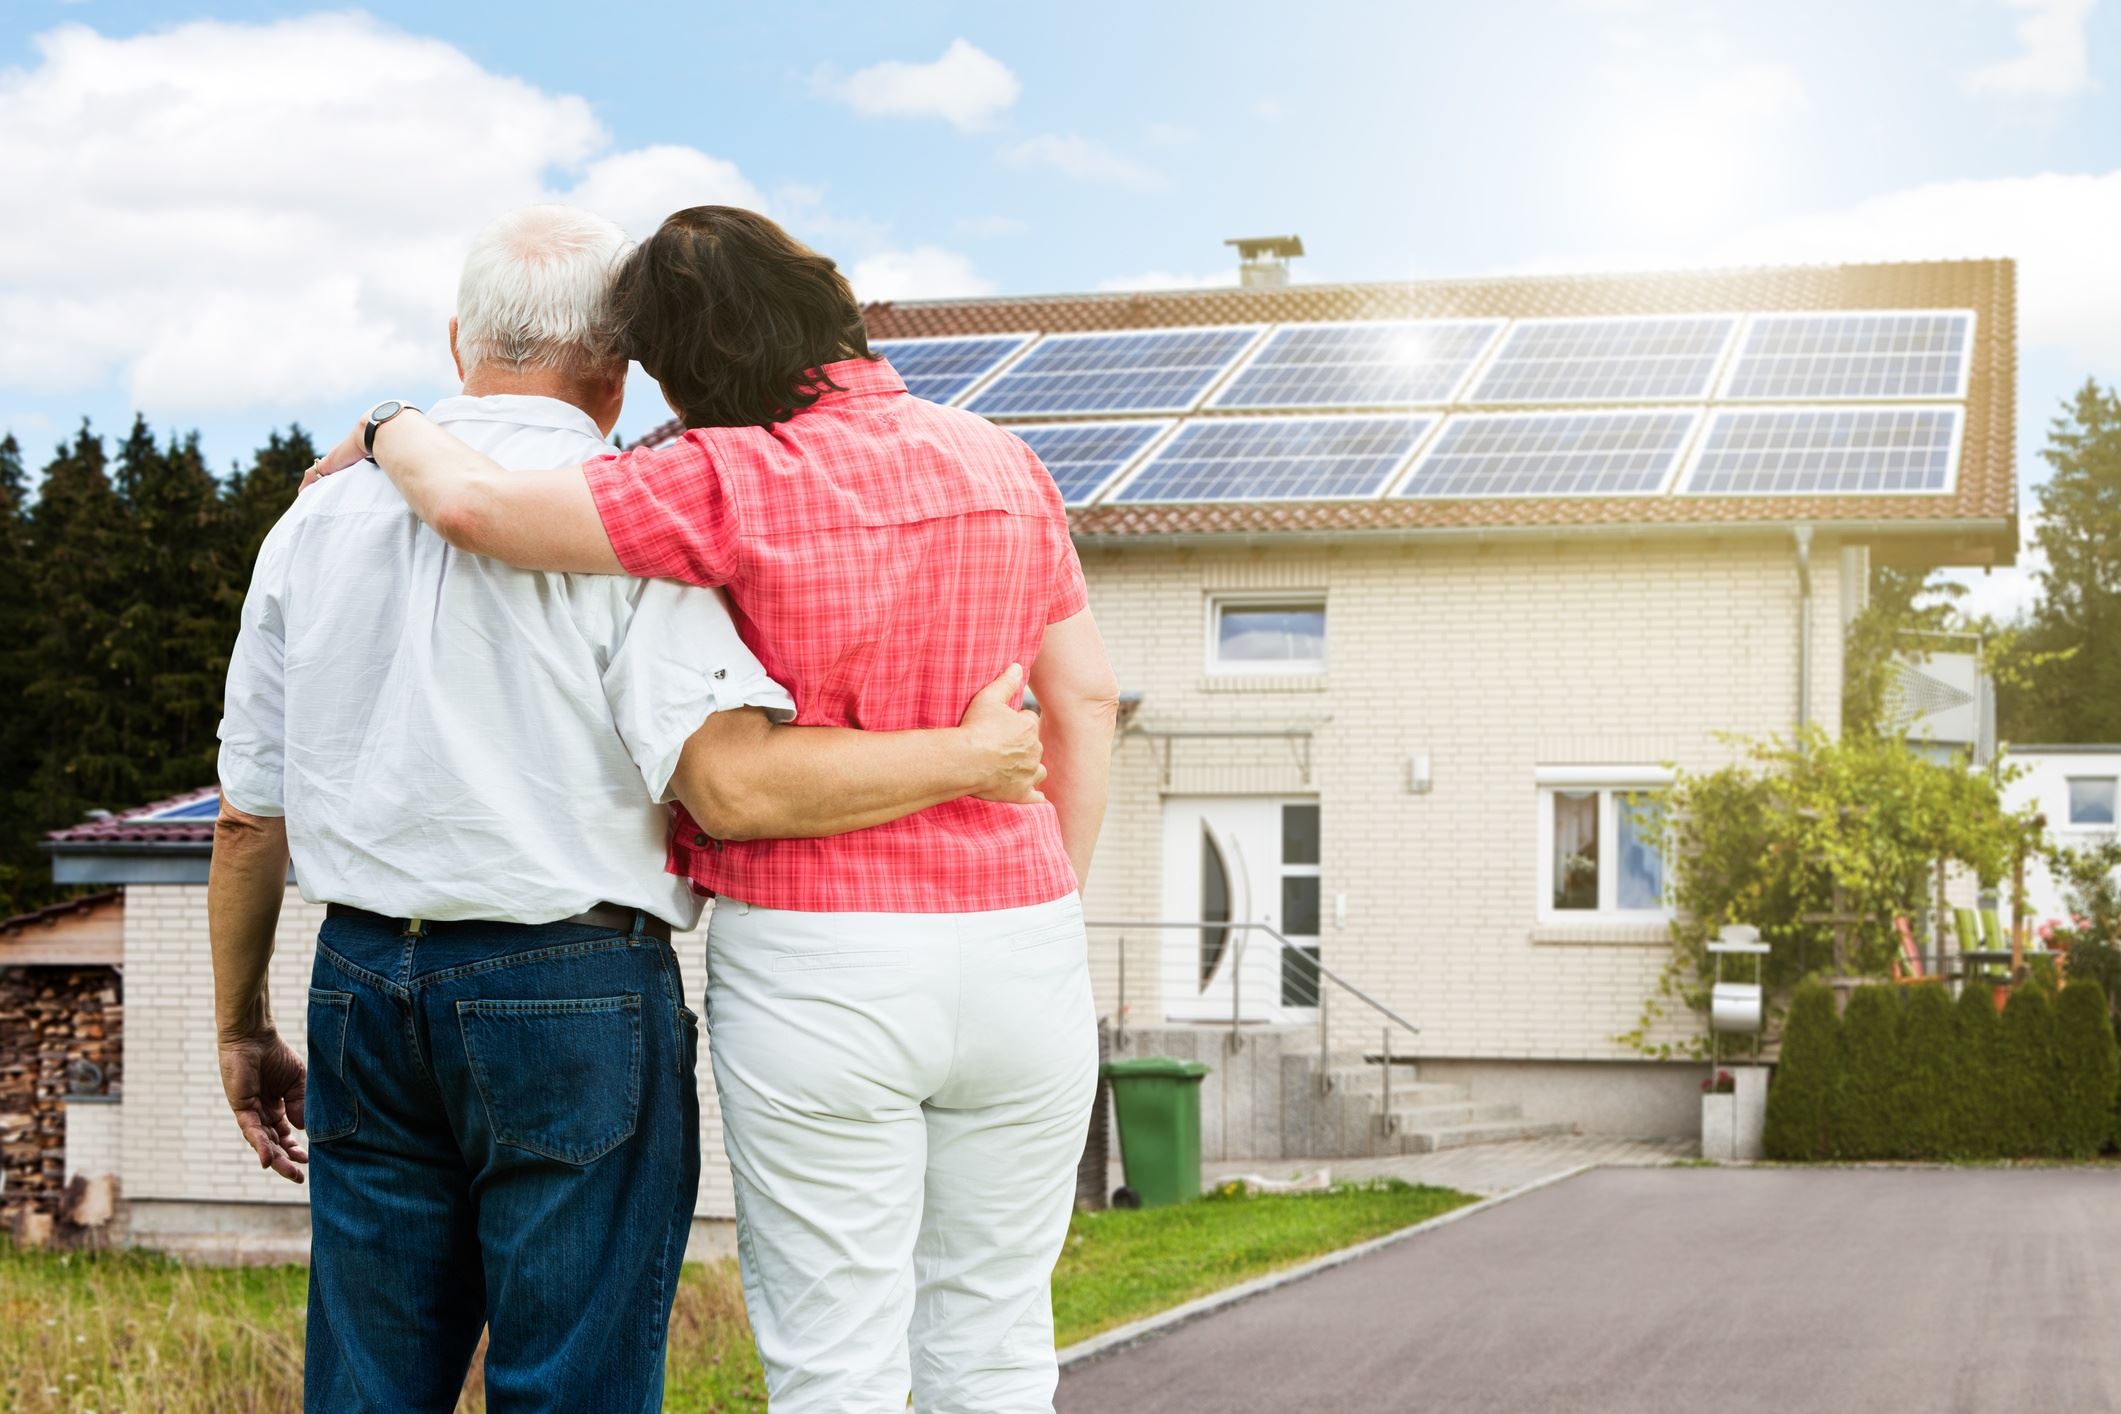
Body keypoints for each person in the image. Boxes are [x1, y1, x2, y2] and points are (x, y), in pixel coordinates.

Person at [212, 205, 1047, 1414]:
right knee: (578, 1385)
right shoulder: (630, 515)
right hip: (571, 988)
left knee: (366, 1385)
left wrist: (240, 1027)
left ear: (459, 342)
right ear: (620, 364)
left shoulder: (314, 516)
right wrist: (969, 757)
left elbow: (249, 817)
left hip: (357, 987)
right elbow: (735, 777)